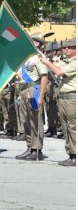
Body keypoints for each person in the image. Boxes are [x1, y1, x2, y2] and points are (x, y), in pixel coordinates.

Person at [40, 38, 75, 166]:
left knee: (73, 127)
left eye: (67, 48)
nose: (64, 50)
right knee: (66, 128)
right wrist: (46, 60)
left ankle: (75, 155)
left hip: (72, 98)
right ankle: (71, 154)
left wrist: (47, 63)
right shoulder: (67, 61)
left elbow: (59, 72)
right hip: (64, 98)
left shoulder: (75, 62)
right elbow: (56, 68)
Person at [14, 33, 49, 161]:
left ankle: (37, 149)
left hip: (34, 89)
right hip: (24, 89)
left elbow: (44, 76)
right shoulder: (27, 57)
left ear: (37, 43)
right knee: (26, 121)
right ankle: (29, 147)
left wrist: (40, 96)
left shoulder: (38, 57)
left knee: (35, 121)